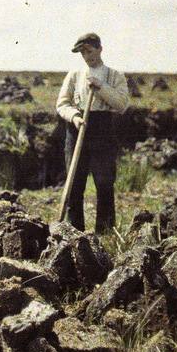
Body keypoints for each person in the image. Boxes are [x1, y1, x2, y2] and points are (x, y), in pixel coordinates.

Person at [56, 32, 129, 233]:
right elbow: (62, 104)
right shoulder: (74, 75)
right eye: (82, 53)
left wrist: (101, 87)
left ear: (99, 49)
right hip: (77, 127)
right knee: (74, 184)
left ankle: (105, 232)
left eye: (89, 51)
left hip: (102, 130)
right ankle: (74, 232)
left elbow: (122, 105)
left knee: (104, 184)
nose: (86, 56)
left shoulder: (115, 76)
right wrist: (74, 117)